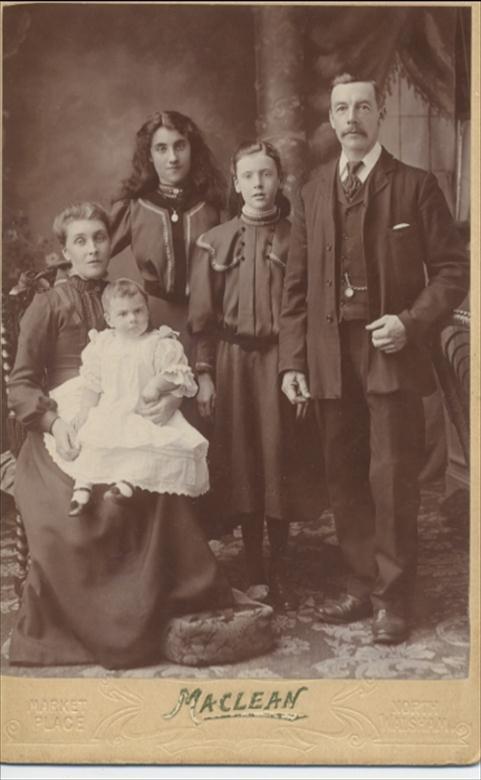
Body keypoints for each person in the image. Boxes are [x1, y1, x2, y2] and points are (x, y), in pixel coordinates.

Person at [279, 74, 469, 644]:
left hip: (391, 351)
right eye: (342, 108)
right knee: (344, 476)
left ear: (379, 113)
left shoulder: (415, 185)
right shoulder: (312, 191)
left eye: (363, 106)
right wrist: (294, 362)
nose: (352, 117)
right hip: (331, 356)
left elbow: (454, 271)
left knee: (391, 480)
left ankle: (394, 599)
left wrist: (409, 323)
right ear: (332, 120)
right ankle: (362, 584)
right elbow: (295, 287)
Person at [7, 202, 232, 669]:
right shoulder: (48, 304)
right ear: (64, 250)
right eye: (81, 240)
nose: (93, 248)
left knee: (153, 475)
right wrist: (55, 423)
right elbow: (22, 383)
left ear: (113, 243)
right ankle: (113, 627)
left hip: (127, 414)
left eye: (100, 238)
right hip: (69, 421)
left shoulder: (126, 298)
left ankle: (170, 607)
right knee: (90, 504)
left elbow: (161, 363)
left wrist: (170, 399)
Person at [189, 140, 306, 611]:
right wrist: (205, 374)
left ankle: (281, 560)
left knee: (280, 456)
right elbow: (203, 318)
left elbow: (306, 308)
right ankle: (252, 562)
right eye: (249, 176)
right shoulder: (215, 241)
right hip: (234, 362)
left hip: (281, 360)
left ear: (280, 180)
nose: (259, 185)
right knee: (241, 460)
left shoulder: (299, 236)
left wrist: (299, 366)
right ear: (236, 184)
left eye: (267, 175)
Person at [42, 278, 209, 516]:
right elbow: (93, 383)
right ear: (109, 319)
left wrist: (155, 384)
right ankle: (82, 488)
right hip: (111, 408)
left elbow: (178, 374)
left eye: (138, 311)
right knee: (92, 439)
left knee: (141, 446)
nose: (133, 319)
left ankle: (126, 486)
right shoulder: (103, 344)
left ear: (147, 310)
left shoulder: (159, 343)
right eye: (123, 314)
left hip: (141, 412)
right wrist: (84, 411)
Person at [110, 110, 226, 348]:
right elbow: (94, 250)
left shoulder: (214, 206)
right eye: (161, 149)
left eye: (180, 146)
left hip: (211, 323)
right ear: (149, 156)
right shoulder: (135, 206)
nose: (172, 158)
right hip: (151, 323)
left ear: (192, 149)